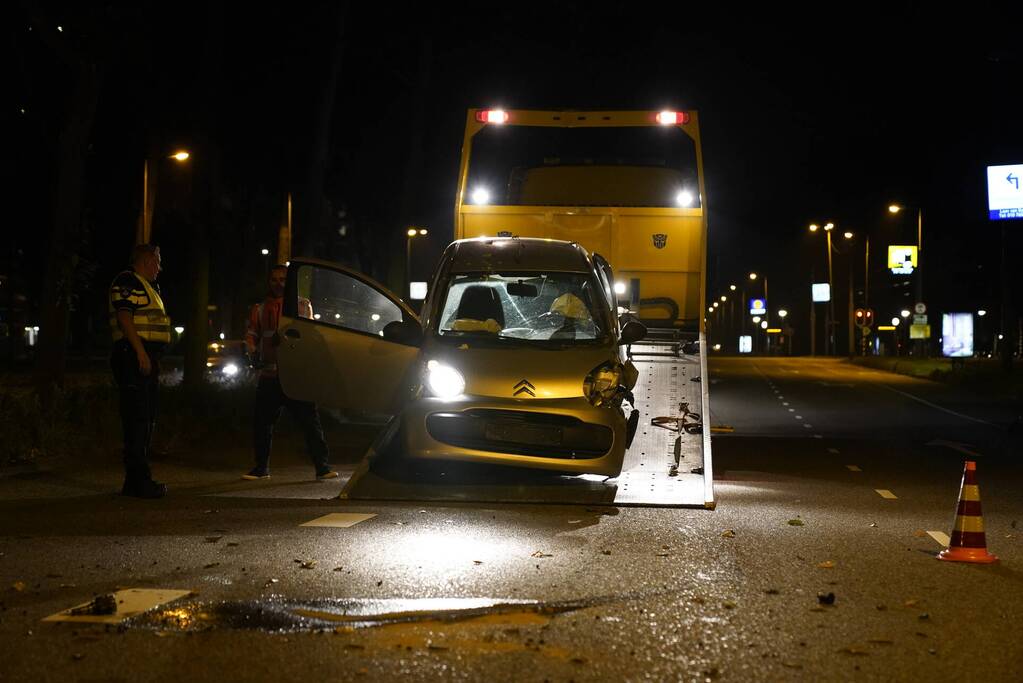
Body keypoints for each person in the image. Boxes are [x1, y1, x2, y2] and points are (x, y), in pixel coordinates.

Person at [242, 265, 337, 481]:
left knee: (310, 423)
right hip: (269, 376)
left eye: (282, 279)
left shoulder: (302, 305)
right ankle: (261, 468)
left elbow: (310, 336)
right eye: (274, 279)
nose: (278, 283)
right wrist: (252, 352)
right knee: (263, 425)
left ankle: (322, 467)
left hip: (296, 376)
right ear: (269, 281)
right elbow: (251, 335)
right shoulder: (259, 308)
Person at [108, 244, 170, 498]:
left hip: (142, 356)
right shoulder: (128, 281)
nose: (159, 267)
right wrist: (141, 352)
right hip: (132, 356)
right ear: (146, 260)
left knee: (144, 419)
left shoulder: (146, 286)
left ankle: (135, 481)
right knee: (137, 419)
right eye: (157, 261)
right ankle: (139, 481)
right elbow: (125, 319)